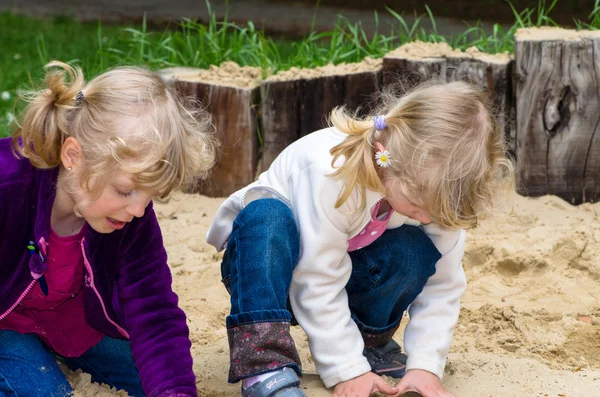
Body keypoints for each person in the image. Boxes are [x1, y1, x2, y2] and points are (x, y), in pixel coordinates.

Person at [207, 80, 513, 397]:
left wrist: (425, 366)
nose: (426, 216)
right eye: (420, 203)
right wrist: (346, 370)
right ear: (386, 157)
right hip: (265, 272)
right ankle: (265, 366)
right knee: (266, 216)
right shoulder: (331, 173)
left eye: (436, 210)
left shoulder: (434, 192)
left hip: (343, 266)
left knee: (414, 251)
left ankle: (370, 344)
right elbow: (317, 276)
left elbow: (443, 285)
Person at [0, 61, 216, 397]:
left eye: (151, 195)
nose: (138, 209)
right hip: (5, 325)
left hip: (73, 323)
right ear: (74, 155)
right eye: (126, 190)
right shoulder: (9, 187)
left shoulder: (130, 217)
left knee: (157, 381)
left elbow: (154, 310)